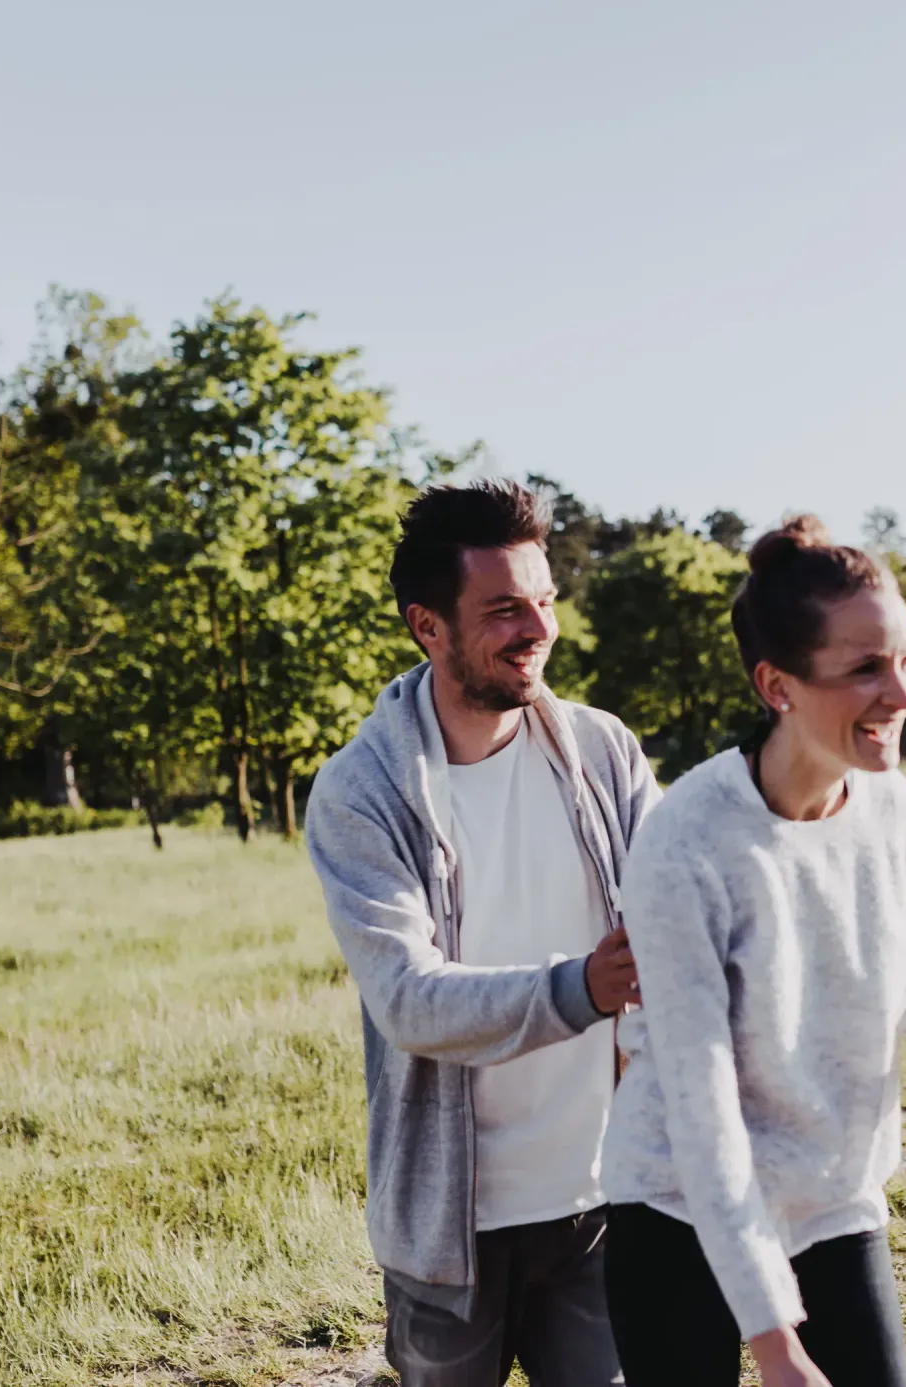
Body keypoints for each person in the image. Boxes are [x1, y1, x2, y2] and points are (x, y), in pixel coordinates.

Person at [600, 515, 906, 1387]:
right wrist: (775, 1341)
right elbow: (704, 1113)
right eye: (865, 668)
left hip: (830, 1195)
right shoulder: (687, 844)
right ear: (776, 684)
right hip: (679, 1207)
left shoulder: (891, 805)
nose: (901, 693)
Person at [305, 479, 658, 1387]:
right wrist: (583, 985)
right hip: (449, 1232)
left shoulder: (606, 749)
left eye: (543, 600)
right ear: (429, 626)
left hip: (597, 1201)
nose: (537, 628)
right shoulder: (361, 791)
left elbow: (676, 927)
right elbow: (409, 1001)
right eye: (504, 609)